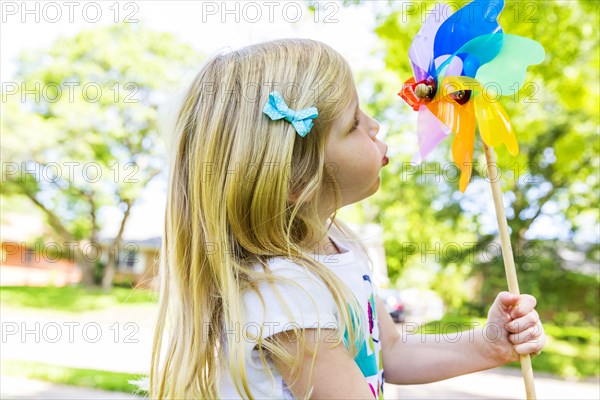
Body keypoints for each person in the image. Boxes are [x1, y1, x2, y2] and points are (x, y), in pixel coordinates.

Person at [148, 38, 546, 399]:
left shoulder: (341, 246)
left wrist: (488, 343)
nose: (374, 126)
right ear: (295, 177)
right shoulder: (285, 294)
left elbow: (387, 352)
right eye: (354, 122)